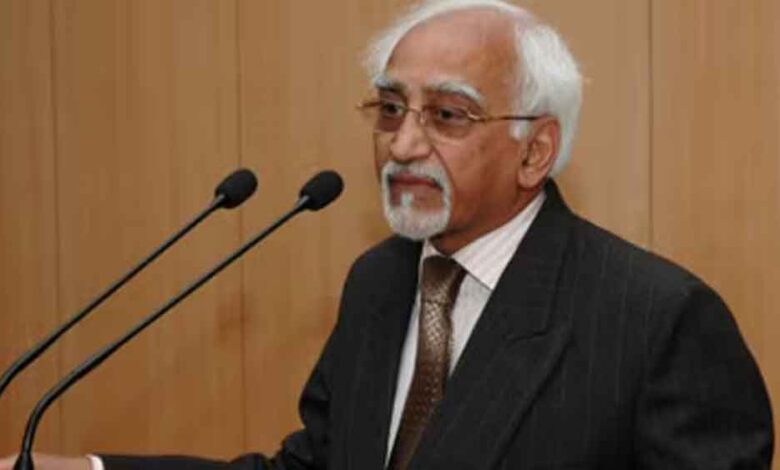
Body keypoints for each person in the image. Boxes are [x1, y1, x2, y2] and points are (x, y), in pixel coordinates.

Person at [1, 0, 773, 468]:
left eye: (448, 115)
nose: (403, 145)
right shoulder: (380, 282)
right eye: (391, 108)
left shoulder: (655, 320)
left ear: (535, 151)